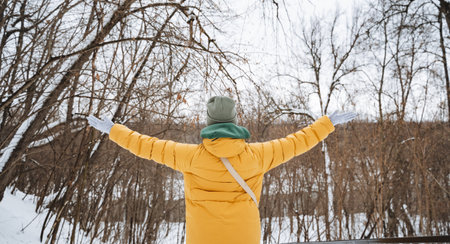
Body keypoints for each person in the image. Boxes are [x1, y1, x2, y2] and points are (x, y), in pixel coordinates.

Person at [87, 96, 356, 244]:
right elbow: (298, 142)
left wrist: (114, 130)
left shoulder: (190, 157)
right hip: (245, 238)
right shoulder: (257, 156)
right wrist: (327, 123)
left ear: (209, 123)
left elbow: (146, 146)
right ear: (235, 122)